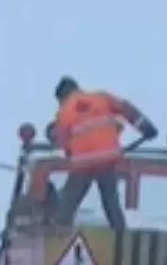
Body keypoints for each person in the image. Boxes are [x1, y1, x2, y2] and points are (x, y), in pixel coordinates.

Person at [49, 76, 157, 230]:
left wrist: (71, 156)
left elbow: (64, 141)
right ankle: (119, 232)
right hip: (108, 158)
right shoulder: (101, 98)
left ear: (62, 96)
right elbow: (126, 109)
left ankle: (59, 231)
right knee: (110, 199)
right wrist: (146, 127)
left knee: (70, 199)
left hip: (83, 163)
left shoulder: (64, 112)